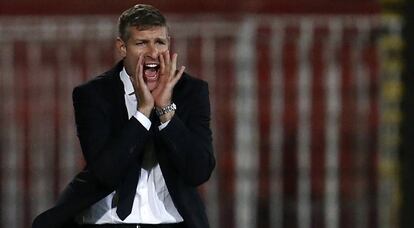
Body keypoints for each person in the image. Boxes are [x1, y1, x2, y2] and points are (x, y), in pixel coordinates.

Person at [32, 4, 215, 228]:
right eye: (141, 43)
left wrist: (165, 111)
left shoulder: (191, 91)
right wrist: (144, 112)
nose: (153, 52)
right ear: (122, 47)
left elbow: (199, 171)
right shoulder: (93, 95)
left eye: (160, 42)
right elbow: (105, 172)